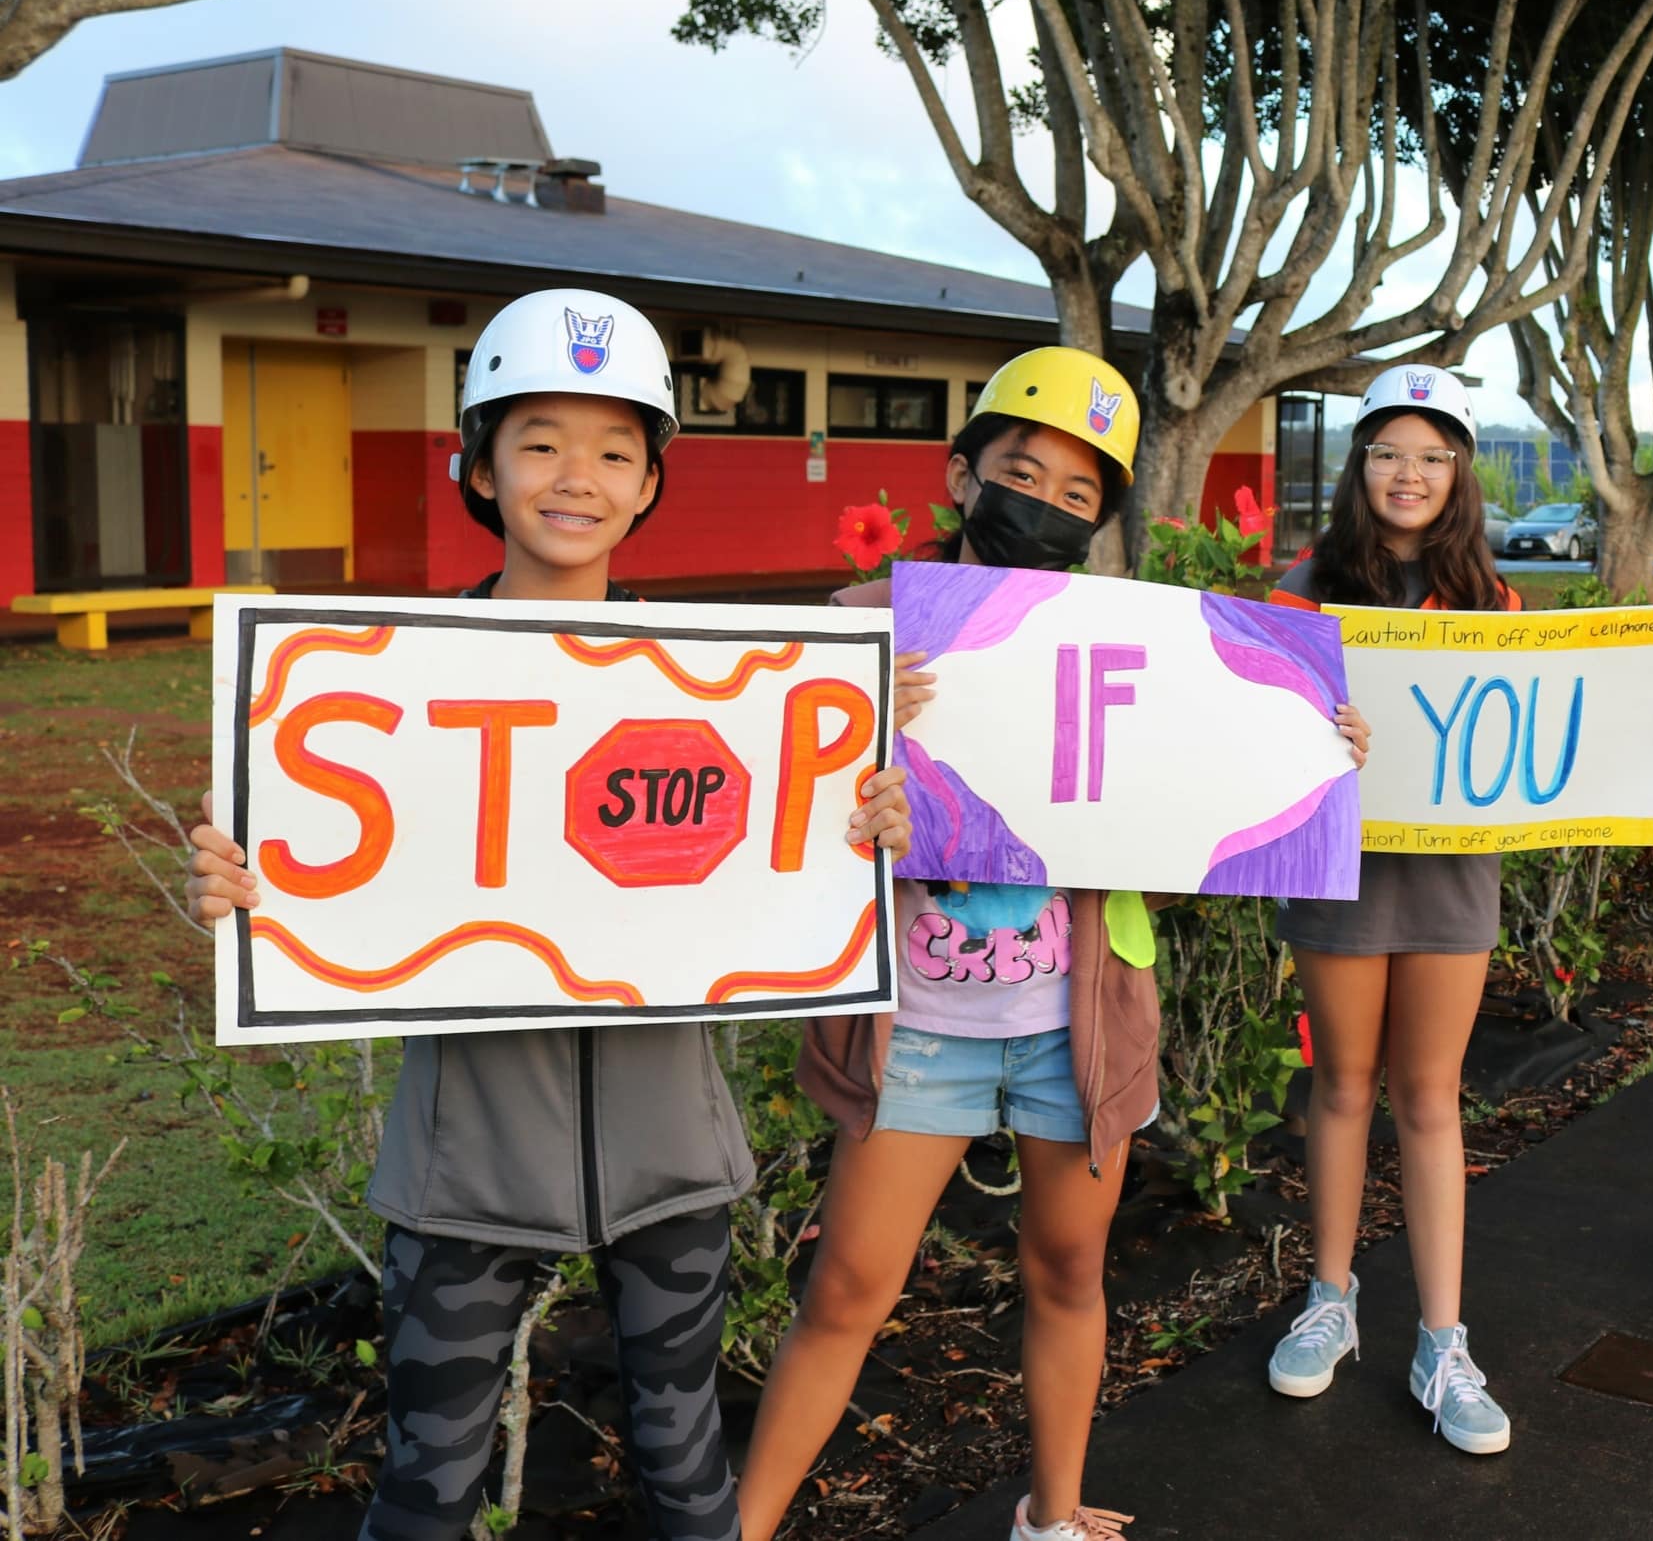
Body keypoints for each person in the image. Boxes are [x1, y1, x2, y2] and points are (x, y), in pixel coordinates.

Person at [184, 290, 916, 1541]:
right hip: (465, 1165)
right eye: (539, 442)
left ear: (647, 487)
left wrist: (867, 824)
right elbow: (332, 884)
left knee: (687, 1472)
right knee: (424, 1491)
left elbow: (791, 857)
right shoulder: (389, 678)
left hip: (672, 1156)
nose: (576, 477)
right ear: (476, 464)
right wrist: (246, 884)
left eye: (615, 451)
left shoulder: (736, 686)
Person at [742, 350, 1334, 1541]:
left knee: (1069, 1273)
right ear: (962, 475)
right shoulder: (860, 629)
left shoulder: (1137, 649)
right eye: (1023, 473)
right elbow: (772, 818)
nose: (1048, 507)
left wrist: (1310, 752)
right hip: (916, 1029)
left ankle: (1051, 1515)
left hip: (1075, 1026)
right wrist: (852, 736)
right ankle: (741, 1530)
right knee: (851, 1285)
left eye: (1081, 496)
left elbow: (1168, 865)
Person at [1259, 364, 1653, 1454]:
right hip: (1341, 866)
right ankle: (1331, 1299)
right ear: (1360, 467)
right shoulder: (1299, 589)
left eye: (1434, 456)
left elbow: (1566, 726)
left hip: (1454, 873)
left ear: (1460, 475)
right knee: (1344, 1085)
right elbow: (1251, 736)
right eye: (1389, 453)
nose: (1410, 474)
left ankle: (1442, 1341)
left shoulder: (1498, 603)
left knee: (1432, 1096)